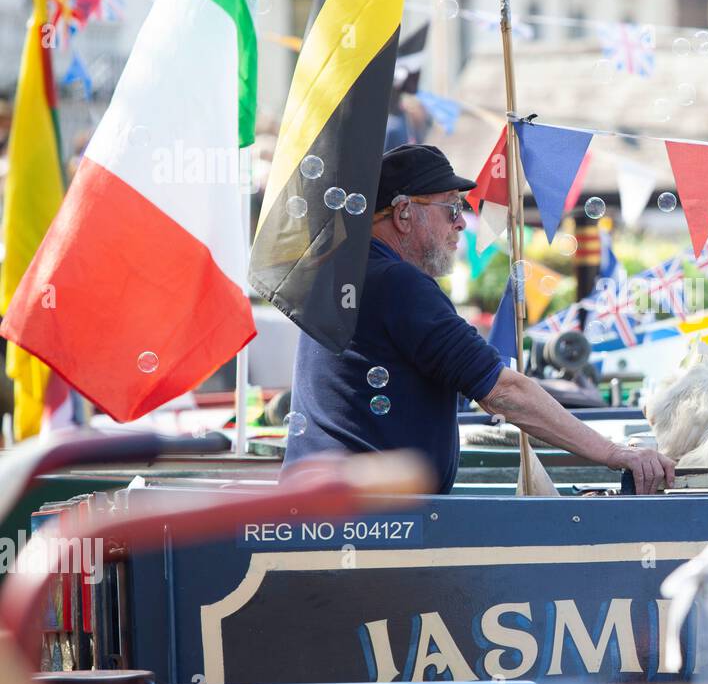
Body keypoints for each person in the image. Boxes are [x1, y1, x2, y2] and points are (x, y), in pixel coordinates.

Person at [284, 144, 676, 494]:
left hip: (331, 507)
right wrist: (613, 453)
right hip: (374, 517)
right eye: (452, 207)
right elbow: (503, 391)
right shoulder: (398, 283)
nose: (461, 222)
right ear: (404, 212)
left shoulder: (343, 273)